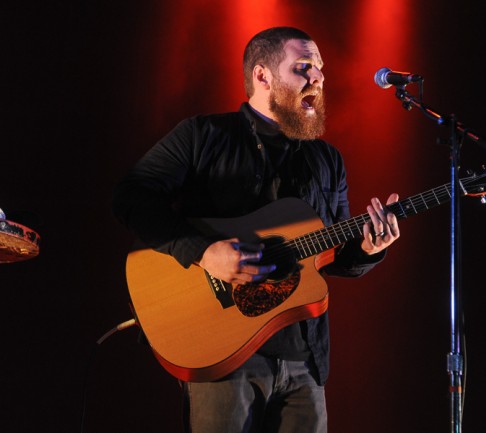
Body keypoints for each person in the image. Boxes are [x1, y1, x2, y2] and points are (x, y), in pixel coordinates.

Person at [112, 26, 400, 433]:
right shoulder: (204, 135)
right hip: (224, 355)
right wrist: (203, 251)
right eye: (303, 67)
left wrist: (370, 249)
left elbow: (333, 254)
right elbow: (131, 196)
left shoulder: (327, 159)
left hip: (305, 358)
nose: (317, 77)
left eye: (319, 68)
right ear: (263, 76)